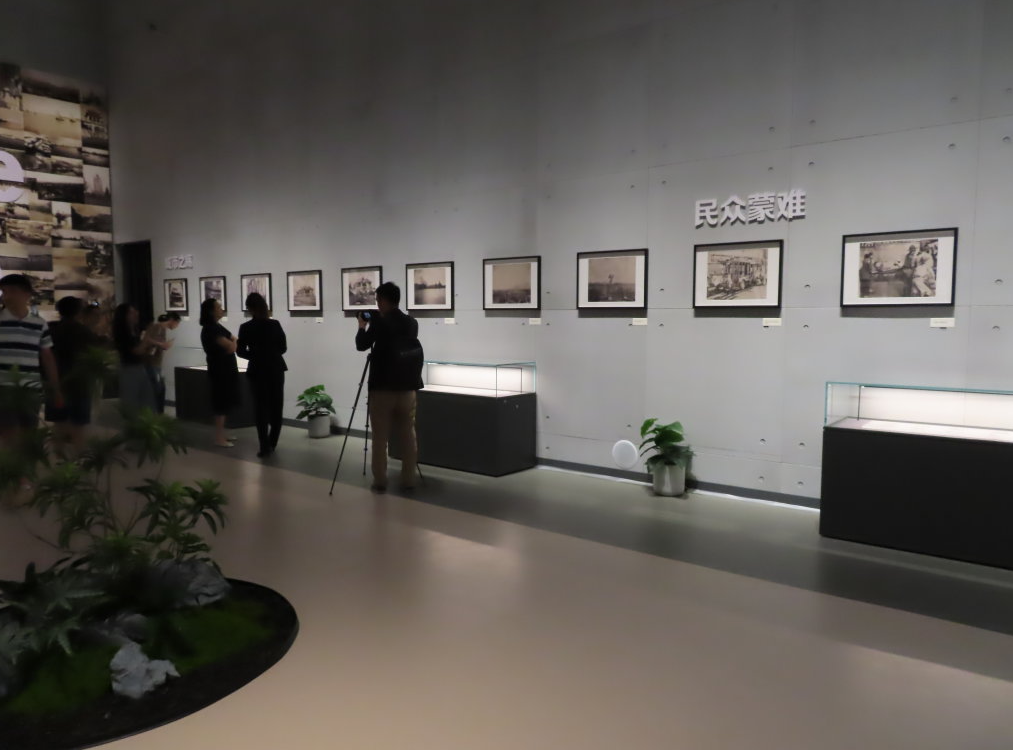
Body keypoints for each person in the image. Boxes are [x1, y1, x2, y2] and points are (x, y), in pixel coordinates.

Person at [355, 281, 424, 492]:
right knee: (408, 435)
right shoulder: (412, 323)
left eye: (378, 300)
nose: (377, 304)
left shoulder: (380, 322)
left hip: (383, 388)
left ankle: (380, 481)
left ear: (384, 300)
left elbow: (361, 345)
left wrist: (362, 326)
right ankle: (408, 479)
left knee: (380, 437)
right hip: (408, 387)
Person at [0, 274, 62, 467]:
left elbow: (47, 357)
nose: (6, 296)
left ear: (27, 294)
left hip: (31, 388)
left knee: (30, 432)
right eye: (4, 292)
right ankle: (13, 473)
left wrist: (56, 389)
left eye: (12, 291)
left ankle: (25, 473)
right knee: (9, 434)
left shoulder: (39, 323)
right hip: (3, 387)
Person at [45, 296, 103, 453]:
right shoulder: (84, 332)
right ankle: (79, 454)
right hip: (79, 383)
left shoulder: (51, 329)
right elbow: (95, 353)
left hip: (56, 380)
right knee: (78, 424)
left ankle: (59, 455)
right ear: (79, 312)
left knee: (58, 423)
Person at [237, 292, 287, 457]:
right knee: (276, 407)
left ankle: (264, 446)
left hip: (257, 369)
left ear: (249, 308)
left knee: (260, 408)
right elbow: (283, 347)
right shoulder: (275, 324)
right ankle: (272, 443)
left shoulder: (246, 327)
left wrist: (255, 356)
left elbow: (240, 351)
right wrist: (271, 354)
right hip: (276, 368)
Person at [199, 298, 239, 448]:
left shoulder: (216, 327)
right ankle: (219, 438)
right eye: (218, 307)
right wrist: (233, 343)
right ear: (211, 311)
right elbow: (231, 346)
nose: (222, 309)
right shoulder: (211, 329)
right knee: (220, 403)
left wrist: (232, 342)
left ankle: (222, 434)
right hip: (220, 370)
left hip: (225, 369)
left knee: (225, 402)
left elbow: (233, 340)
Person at [112, 303, 162, 414]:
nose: (136, 314)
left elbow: (140, 351)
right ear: (124, 316)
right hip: (130, 369)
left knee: (146, 399)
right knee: (132, 403)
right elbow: (137, 350)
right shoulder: (122, 333)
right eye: (131, 312)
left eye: (135, 311)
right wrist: (148, 335)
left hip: (139, 368)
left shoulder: (133, 331)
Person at [143, 312, 181, 413]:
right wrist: (161, 344)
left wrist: (165, 345)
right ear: (172, 320)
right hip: (151, 362)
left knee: (159, 387)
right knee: (157, 387)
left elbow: (159, 345)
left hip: (156, 362)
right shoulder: (157, 327)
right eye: (177, 323)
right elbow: (146, 340)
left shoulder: (163, 329)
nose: (176, 326)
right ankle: (154, 411)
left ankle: (157, 411)